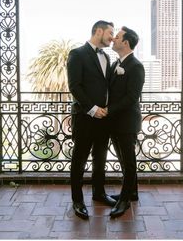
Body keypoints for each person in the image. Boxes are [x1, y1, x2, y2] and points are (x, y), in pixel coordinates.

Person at [67, 20, 116, 220]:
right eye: (110, 32)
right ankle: (78, 201)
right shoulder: (77, 54)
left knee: (100, 158)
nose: (112, 37)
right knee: (79, 160)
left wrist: (107, 110)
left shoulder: (106, 56)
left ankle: (99, 193)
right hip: (85, 117)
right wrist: (92, 109)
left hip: (104, 119)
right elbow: (75, 86)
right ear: (98, 31)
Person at [107, 26, 145, 218]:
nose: (113, 39)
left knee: (128, 162)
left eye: (118, 37)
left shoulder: (136, 66)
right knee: (123, 160)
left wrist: (108, 110)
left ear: (126, 43)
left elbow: (132, 97)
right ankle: (133, 192)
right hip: (114, 122)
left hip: (127, 122)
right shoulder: (115, 65)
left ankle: (124, 200)